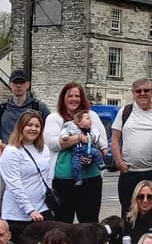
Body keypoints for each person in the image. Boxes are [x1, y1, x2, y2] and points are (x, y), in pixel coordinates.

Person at [44, 82, 106, 224]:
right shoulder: (54, 118)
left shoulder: (92, 116)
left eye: (77, 96)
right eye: (70, 95)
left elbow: (100, 140)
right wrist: (79, 138)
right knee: (62, 223)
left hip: (91, 179)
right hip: (63, 180)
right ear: (63, 98)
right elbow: (52, 144)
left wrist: (91, 155)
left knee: (89, 223)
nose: (74, 99)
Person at [110, 77, 152, 215]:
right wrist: (119, 162)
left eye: (146, 90)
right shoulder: (125, 112)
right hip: (130, 173)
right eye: (138, 91)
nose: (143, 93)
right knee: (128, 212)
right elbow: (114, 140)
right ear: (133, 93)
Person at [0, 111, 53, 244]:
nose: (33, 129)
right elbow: (14, 184)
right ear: (21, 127)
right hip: (17, 215)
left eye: (37, 126)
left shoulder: (44, 149)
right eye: (29, 125)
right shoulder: (11, 151)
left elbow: (47, 177)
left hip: (42, 210)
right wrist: (29, 209)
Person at [0, 69, 50, 144]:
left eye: (22, 82)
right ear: (10, 84)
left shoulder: (40, 108)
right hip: (7, 153)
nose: (18, 85)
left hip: (31, 153)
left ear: (28, 84)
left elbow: (49, 134)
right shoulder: (0, 109)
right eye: (15, 82)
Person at [59, 109, 109, 176]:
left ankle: (100, 164)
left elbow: (98, 139)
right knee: (76, 164)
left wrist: (103, 147)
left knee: (97, 152)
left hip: (89, 149)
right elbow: (64, 132)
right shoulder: (72, 129)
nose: (90, 120)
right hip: (77, 151)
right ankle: (77, 178)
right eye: (87, 119)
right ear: (79, 121)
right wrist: (64, 136)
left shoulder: (91, 131)